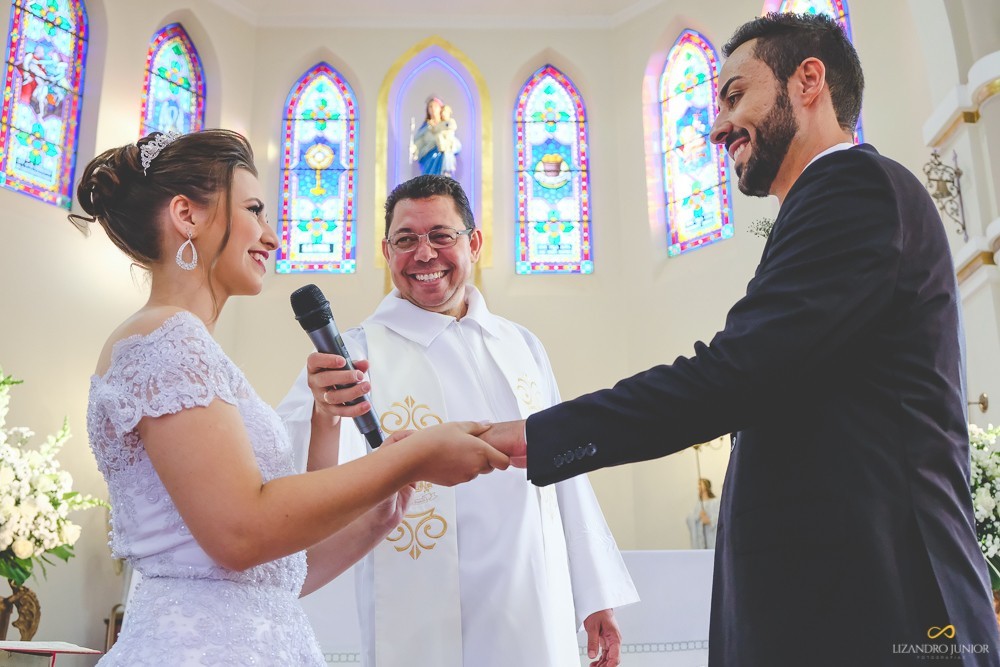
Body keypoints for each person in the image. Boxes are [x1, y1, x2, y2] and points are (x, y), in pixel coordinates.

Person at [482, 13, 1000, 666]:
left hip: (879, 609)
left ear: (808, 80)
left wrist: (540, 435)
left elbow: (734, 374)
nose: (717, 124)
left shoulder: (854, 189)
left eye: (734, 95)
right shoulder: (828, 204)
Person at [72, 130, 508, 666]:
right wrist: (409, 456)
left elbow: (274, 574)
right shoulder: (167, 340)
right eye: (254, 209)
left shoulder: (188, 346)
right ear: (187, 215)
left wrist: (374, 510)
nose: (272, 238)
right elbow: (241, 533)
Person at [278, 174, 638, 667]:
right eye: (406, 240)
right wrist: (325, 416)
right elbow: (300, 484)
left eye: (441, 236)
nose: (424, 254)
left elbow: (566, 473)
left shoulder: (522, 346)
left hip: (530, 596)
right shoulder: (356, 352)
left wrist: (595, 593)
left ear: (474, 243)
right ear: (387, 251)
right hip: (421, 610)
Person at [410, 96, 449, 175]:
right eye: (430, 106)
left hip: (442, 158)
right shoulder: (426, 127)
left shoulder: (446, 125)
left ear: (440, 109)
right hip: (428, 157)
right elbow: (420, 141)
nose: (433, 109)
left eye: (435, 106)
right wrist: (414, 148)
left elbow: (452, 141)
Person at [686, 478, 720, 549]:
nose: (698, 487)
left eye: (700, 484)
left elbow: (720, 518)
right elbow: (690, 519)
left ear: (706, 486)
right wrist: (698, 517)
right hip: (702, 541)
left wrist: (710, 521)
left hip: (712, 538)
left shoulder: (716, 502)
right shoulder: (698, 505)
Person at [435, 104, 461, 176]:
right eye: (442, 112)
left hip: (449, 144)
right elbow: (436, 130)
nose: (443, 114)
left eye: (445, 112)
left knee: (448, 157)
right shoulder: (440, 124)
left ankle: (448, 170)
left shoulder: (451, 121)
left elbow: (451, 127)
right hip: (442, 145)